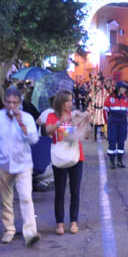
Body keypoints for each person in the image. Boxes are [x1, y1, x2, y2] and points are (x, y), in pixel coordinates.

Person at [0, 87, 41, 246]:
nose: (11, 106)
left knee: (25, 197)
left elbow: (34, 139)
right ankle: (8, 230)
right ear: (4, 102)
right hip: (2, 163)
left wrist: (22, 124)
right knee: (6, 200)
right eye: (8, 102)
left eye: (14, 103)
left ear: (20, 103)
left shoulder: (27, 118)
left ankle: (30, 233)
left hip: (23, 163)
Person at [45, 90, 84, 235]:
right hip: (59, 157)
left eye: (71, 100)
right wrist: (59, 123)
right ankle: (59, 223)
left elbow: (83, 134)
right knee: (59, 192)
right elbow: (48, 130)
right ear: (60, 102)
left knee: (75, 191)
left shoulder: (75, 115)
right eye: (67, 100)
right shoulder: (51, 116)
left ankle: (74, 221)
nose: (70, 103)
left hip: (76, 157)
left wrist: (85, 120)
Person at [105, 81, 128, 169]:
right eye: (122, 88)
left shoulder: (126, 98)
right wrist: (108, 121)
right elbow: (105, 110)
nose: (124, 90)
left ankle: (120, 161)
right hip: (113, 121)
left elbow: (127, 110)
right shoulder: (110, 98)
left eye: (125, 88)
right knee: (112, 141)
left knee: (121, 141)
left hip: (123, 121)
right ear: (118, 88)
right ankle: (112, 162)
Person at [87, 76, 109, 141]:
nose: (98, 83)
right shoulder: (94, 90)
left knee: (104, 123)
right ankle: (95, 137)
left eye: (99, 82)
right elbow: (90, 97)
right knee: (95, 124)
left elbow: (107, 98)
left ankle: (107, 135)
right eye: (97, 82)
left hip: (102, 109)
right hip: (96, 109)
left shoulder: (104, 90)